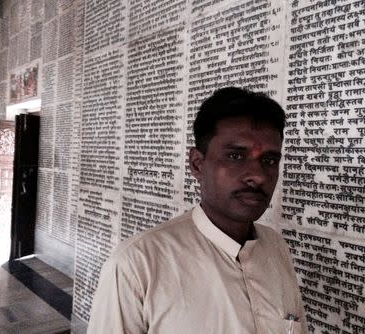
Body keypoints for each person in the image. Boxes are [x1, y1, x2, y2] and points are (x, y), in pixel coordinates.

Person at [87, 87, 306, 334]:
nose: (257, 175)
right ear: (197, 165)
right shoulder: (137, 265)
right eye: (236, 156)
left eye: (269, 161)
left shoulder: (276, 249)